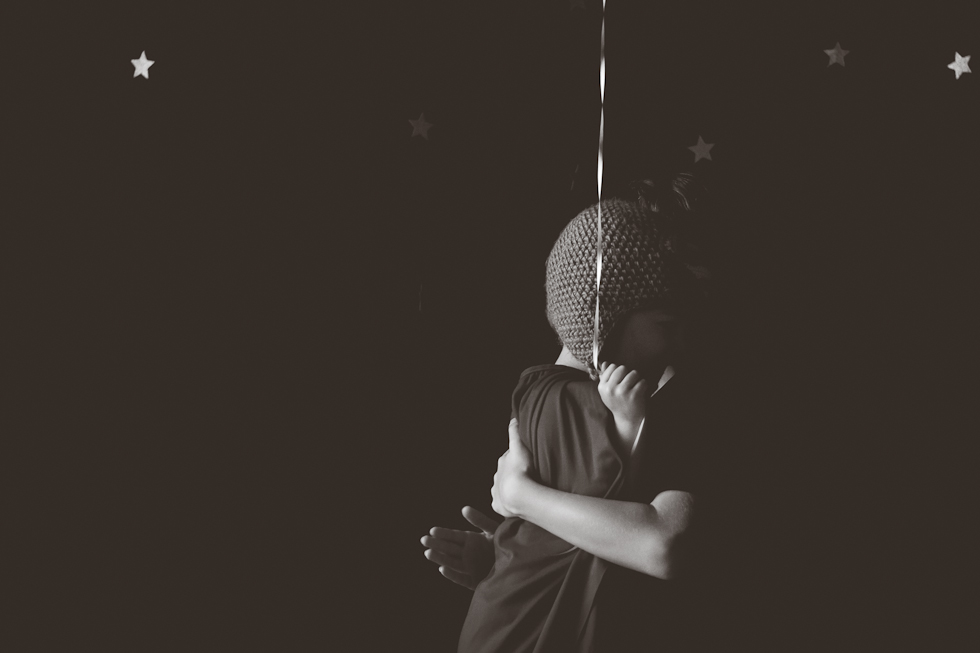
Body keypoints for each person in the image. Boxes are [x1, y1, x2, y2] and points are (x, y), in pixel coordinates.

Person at [422, 176, 716, 652]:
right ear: (605, 319)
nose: (678, 345)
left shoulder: (545, 391)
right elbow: (606, 502)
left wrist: (521, 500)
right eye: (666, 324)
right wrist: (506, 553)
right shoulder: (575, 401)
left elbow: (654, 542)